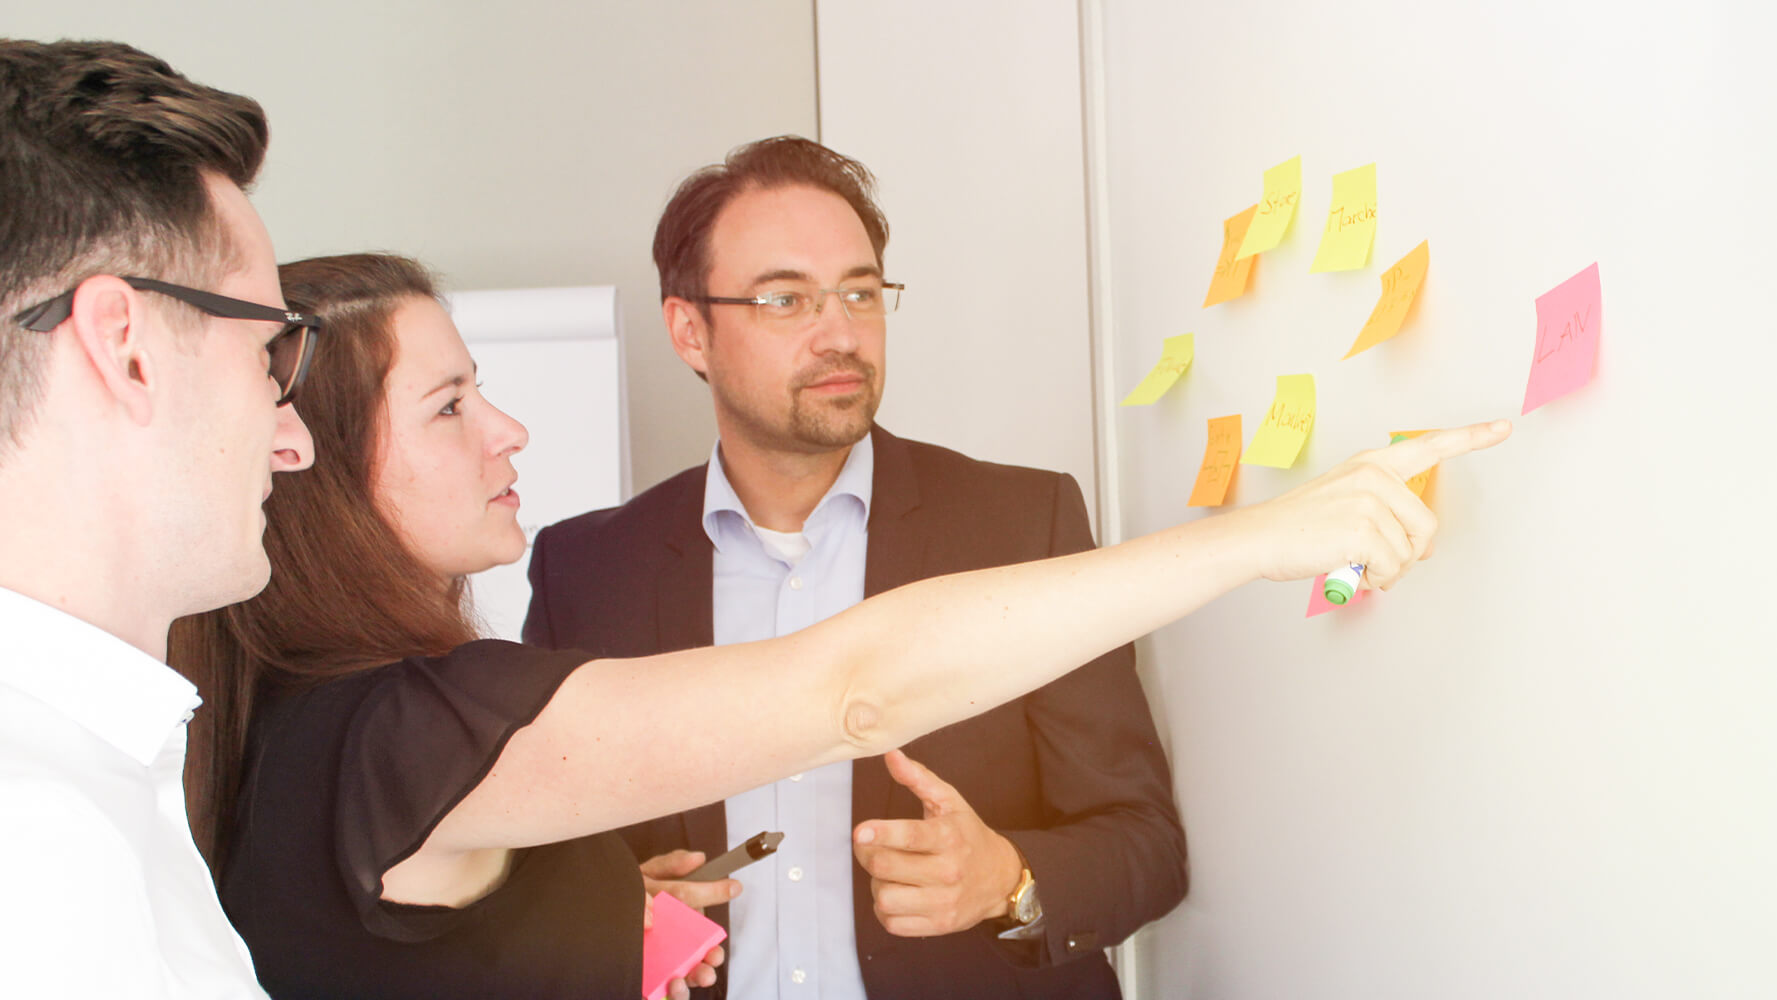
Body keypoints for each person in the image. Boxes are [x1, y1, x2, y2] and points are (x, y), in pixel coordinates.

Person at [175, 251, 1507, 1000]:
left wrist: (586, 921)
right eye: (451, 405)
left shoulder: (310, 722)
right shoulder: (405, 730)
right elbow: (853, 687)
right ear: (315, 462)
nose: (507, 429)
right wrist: (1266, 536)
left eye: (861, 288)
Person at [521, 136, 1184, 1000]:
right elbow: (528, 865)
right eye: (785, 299)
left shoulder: (1022, 526)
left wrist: (1009, 880)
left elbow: (1145, 843)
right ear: (690, 331)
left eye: (860, 293)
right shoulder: (585, 570)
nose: (839, 334)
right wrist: (606, 913)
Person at [0, 38, 317, 997]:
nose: (294, 443)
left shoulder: (88, 781)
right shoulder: (39, 848)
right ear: (125, 346)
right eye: (266, 353)